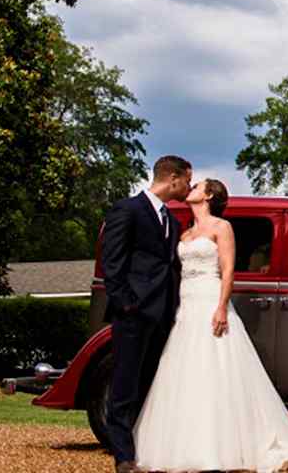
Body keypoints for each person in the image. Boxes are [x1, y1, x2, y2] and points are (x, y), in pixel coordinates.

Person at [133, 178, 288, 472]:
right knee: (186, 370)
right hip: (186, 305)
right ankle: (183, 442)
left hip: (210, 299)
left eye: (197, 186)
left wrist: (222, 307)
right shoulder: (184, 233)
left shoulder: (221, 228)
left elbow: (227, 271)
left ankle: (225, 445)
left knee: (216, 367)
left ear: (209, 195)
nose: (192, 189)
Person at [100, 155, 192, 473]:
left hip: (163, 314)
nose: (189, 187)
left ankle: (144, 449)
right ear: (173, 177)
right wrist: (127, 304)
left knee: (149, 385)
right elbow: (112, 262)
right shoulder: (128, 209)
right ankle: (123, 458)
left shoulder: (174, 220)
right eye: (187, 181)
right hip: (134, 313)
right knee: (124, 386)